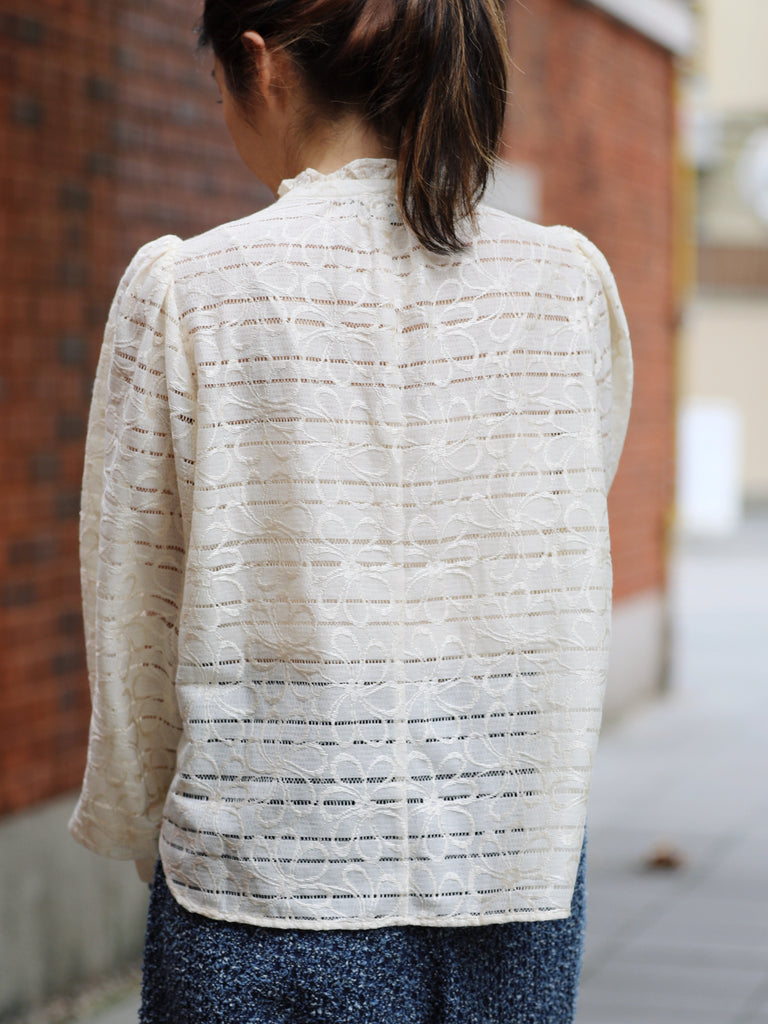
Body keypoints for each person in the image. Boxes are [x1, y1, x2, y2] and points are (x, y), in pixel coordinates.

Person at [69, 0, 633, 1020]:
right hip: (512, 873)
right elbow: (565, 525)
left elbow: (135, 619)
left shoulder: (193, 291)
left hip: (261, 882)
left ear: (262, 68)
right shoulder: (567, 286)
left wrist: (163, 831)